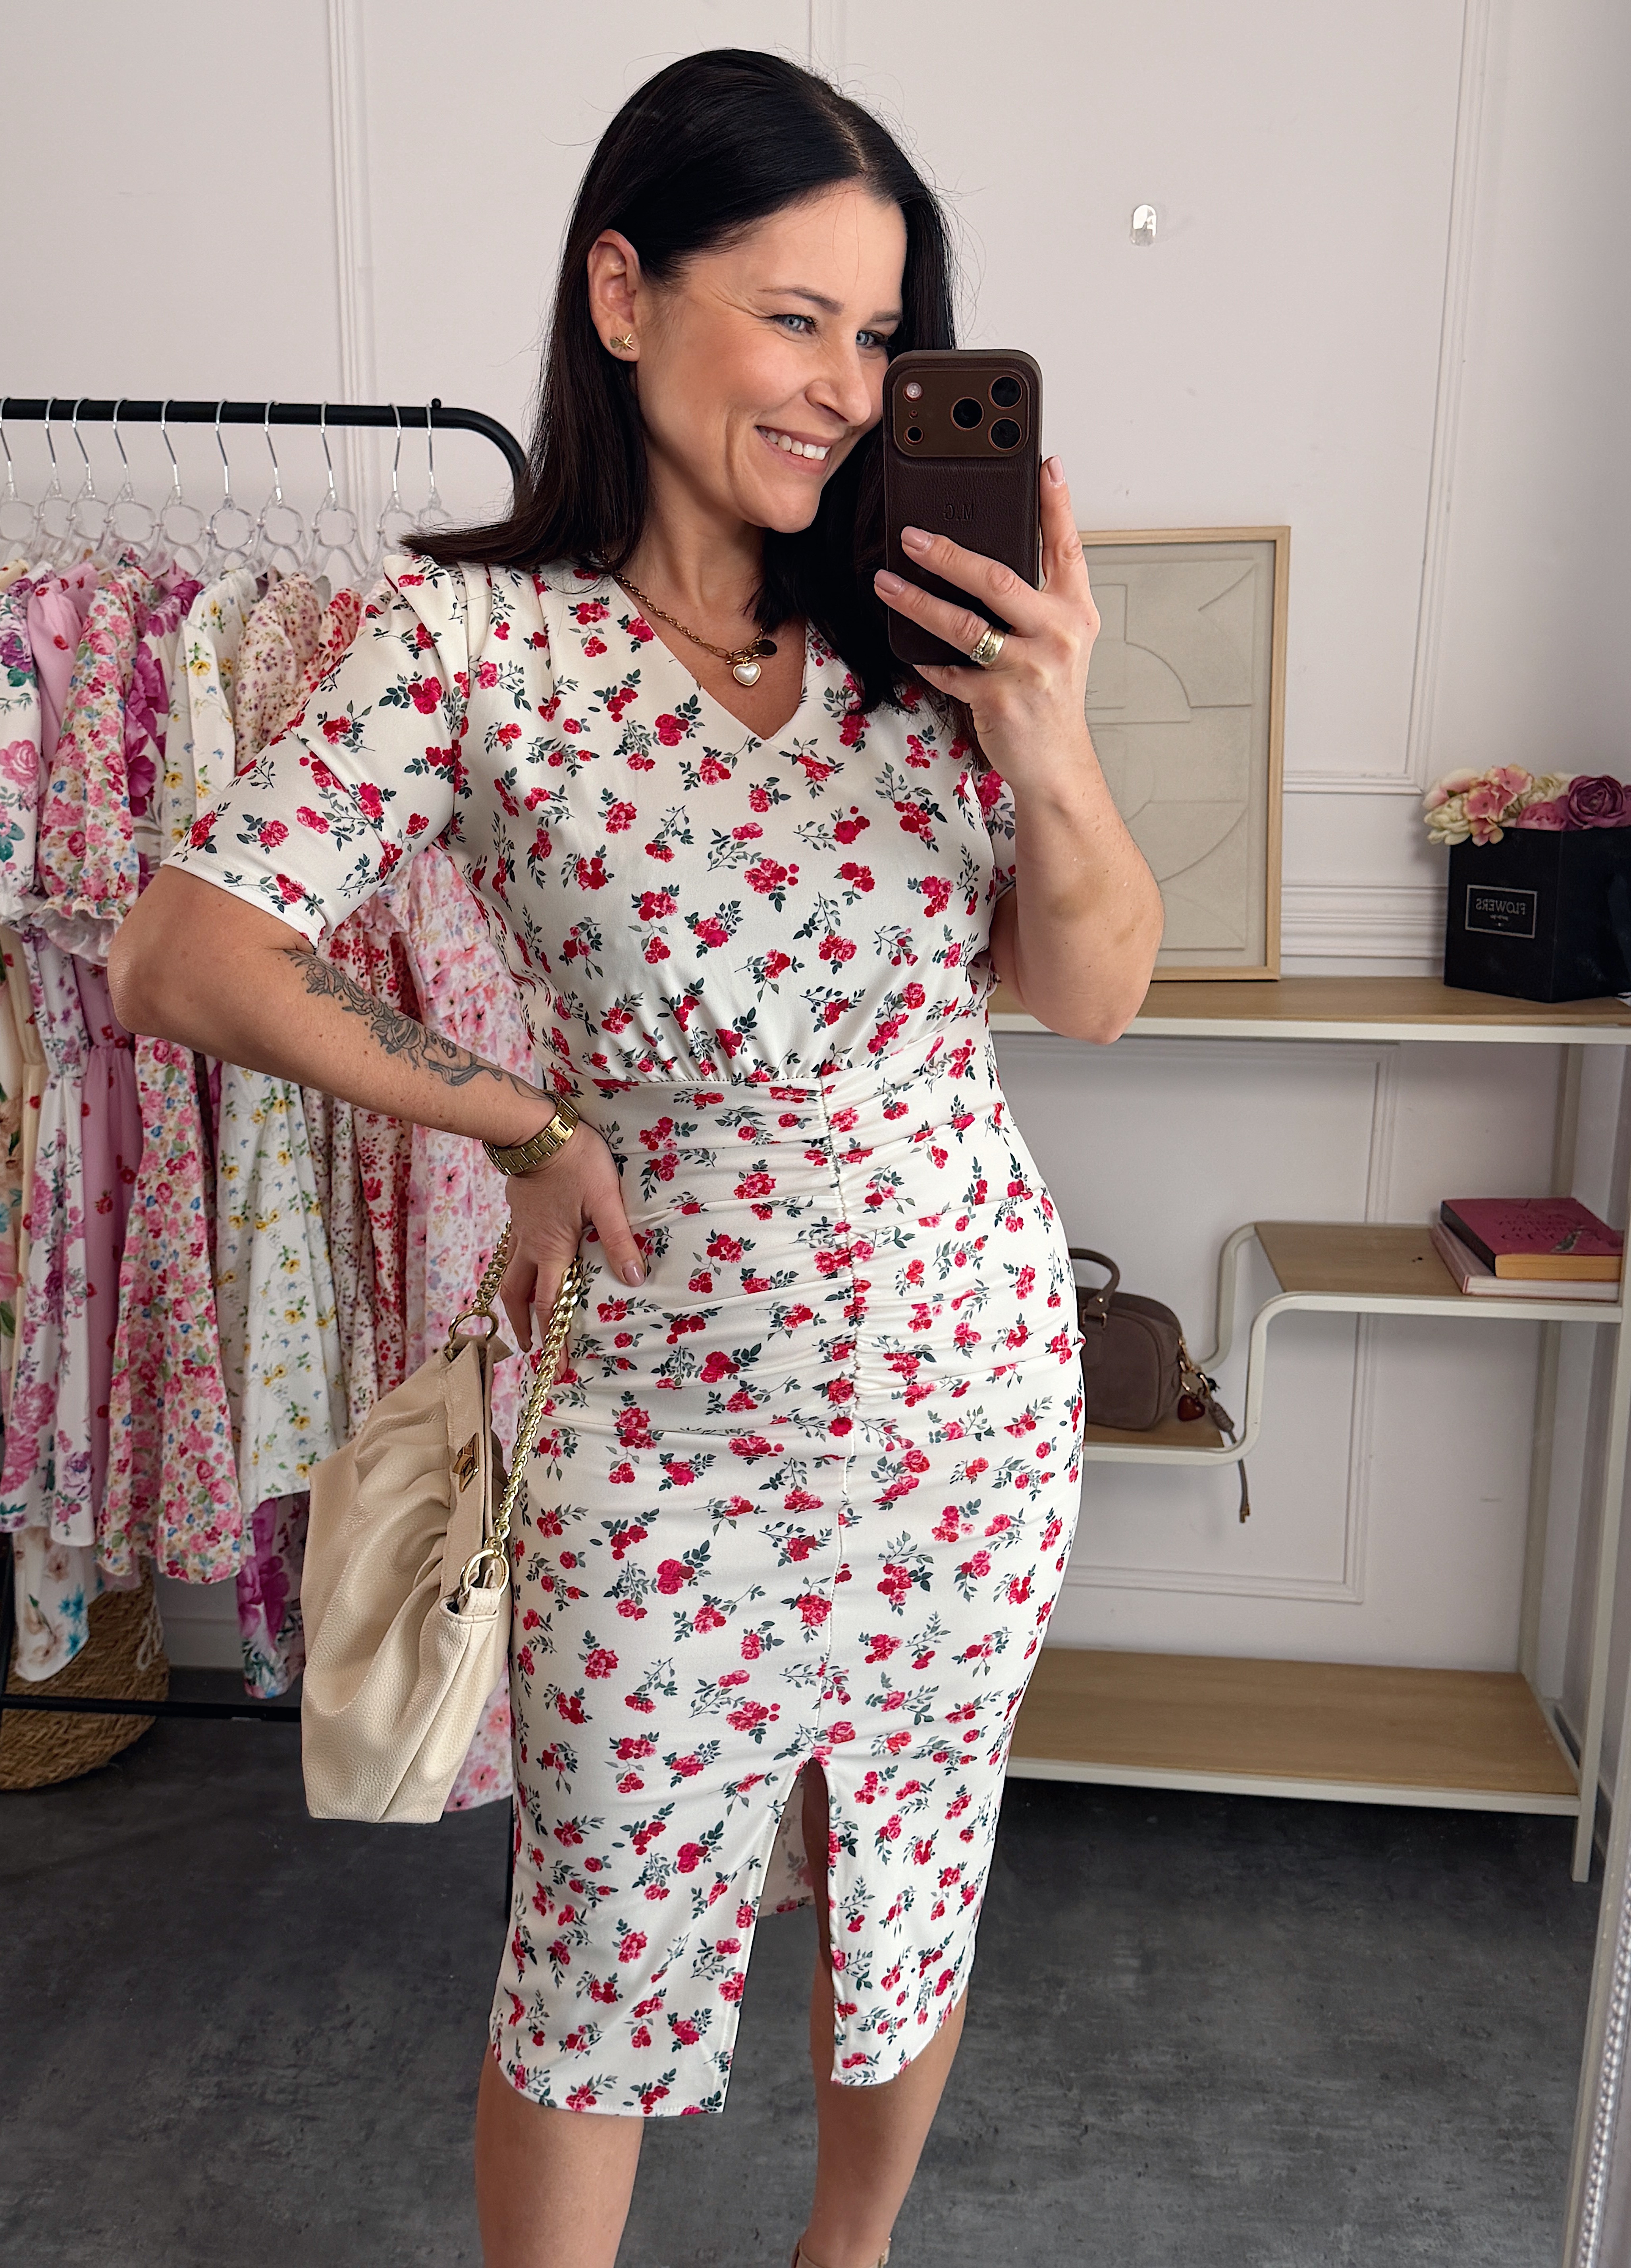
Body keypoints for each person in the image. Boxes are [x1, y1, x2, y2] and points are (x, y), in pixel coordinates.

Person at [109, 46, 1163, 2268]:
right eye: (793, 317)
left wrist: (1051, 736)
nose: (844, 388)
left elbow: (1093, 993)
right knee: (597, 1945)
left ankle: (844, 2257)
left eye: (882, 335)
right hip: (665, 1426)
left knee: (915, 1881)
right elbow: (186, 954)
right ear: (622, 293)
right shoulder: (468, 642)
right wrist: (514, 1114)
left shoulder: (933, 649)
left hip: (967, 1407)